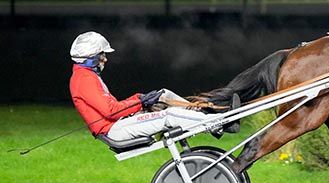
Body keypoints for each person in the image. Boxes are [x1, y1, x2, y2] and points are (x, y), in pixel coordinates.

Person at [68, 31, 238, 142]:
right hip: (113, 130)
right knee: (169, 115)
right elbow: (111, 111)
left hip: (118, 124)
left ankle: (206, 114)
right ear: (90, 58)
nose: (105, 59)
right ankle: (219, 123)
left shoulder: (87, 76)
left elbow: (113, 108)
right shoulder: (84, 80)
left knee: (164, 94)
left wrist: (140, 98)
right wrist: (141, 102)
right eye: (101, 55)